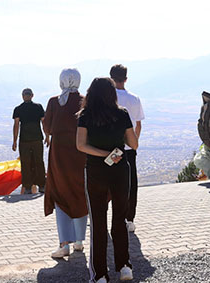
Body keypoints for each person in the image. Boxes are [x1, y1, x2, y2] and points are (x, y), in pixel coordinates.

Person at [77, 77, 138, 283]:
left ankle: (100, 274)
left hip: (95, 171)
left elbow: (81, 145)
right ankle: (124, 266)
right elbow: (134, 144)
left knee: (98, 222)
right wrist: (113, 150)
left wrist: (102, 153)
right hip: (120, 169)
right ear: (112, 94)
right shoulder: (122, 114)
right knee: (120, 218)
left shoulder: (85, 115)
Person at [43, 69, 88, 259]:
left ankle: (64, 244)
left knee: (60, 193)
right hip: (81, 153)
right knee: (80, 192)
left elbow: (47, 127)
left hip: (59, 155)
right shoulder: (85, 100)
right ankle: (79, 241)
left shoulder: (54, 102)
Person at [110, 64, 144, 233]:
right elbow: (138, 124)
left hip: (109, 148)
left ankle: (108, 216)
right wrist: (133, 142)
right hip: (128, 149)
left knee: (107, 180)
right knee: (130, 183)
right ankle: (129, 219)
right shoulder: (134, 99)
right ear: (126, 78)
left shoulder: (106, 99)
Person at [13, 88, 46, 195]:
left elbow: (16, 125)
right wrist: (47, 136)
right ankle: (41, 186)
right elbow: (43, 122)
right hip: (35, 139)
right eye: (25, 94)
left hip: (25, 140)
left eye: (26, 94)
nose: (26, 96)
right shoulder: (38, 107)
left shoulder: (19, 109)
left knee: (26, 163)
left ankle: (28, 187)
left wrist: (14, 141)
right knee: (38, 162)